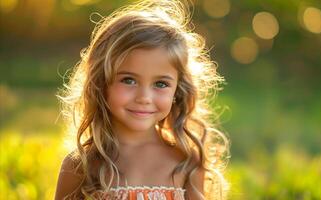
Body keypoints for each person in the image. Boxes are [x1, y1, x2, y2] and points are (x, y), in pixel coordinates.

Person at [55, 0, 230, 199]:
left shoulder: (186, 162)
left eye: (161, 84)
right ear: (101, 83)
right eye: (128, 80)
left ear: (177, 91)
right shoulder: (81, 165)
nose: (144, 97)